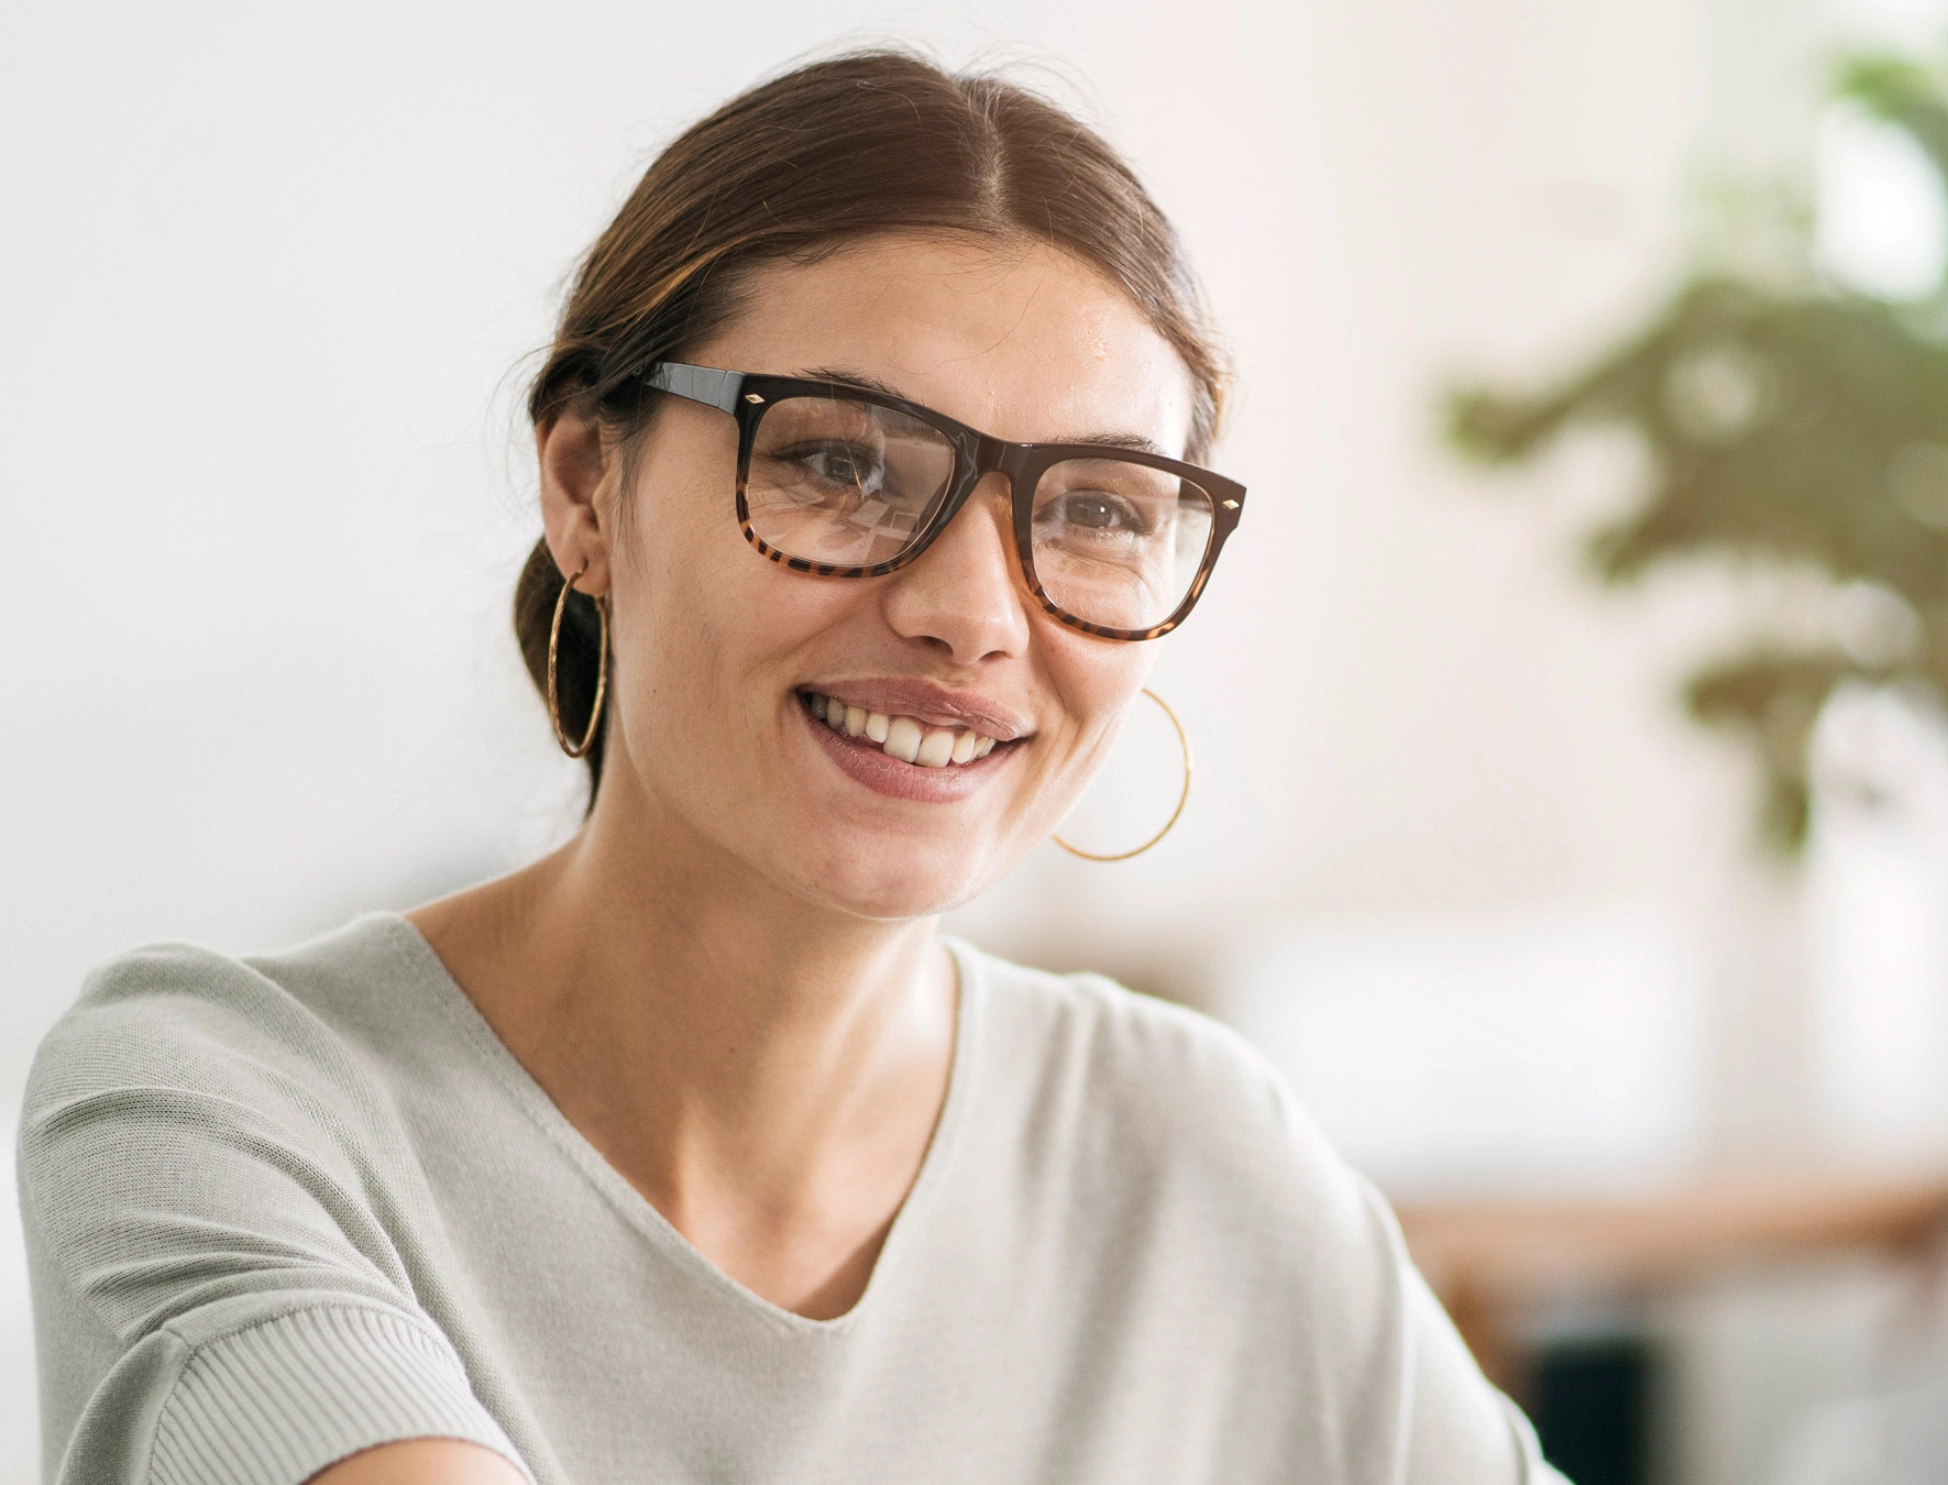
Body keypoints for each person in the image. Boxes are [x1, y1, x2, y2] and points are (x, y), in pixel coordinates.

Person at [20, 50, 1564, 1485]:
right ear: (586, 485)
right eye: (839, 463)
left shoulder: (1193, 1149)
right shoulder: (220, 1105)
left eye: (1095, 510)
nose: (970, 616)